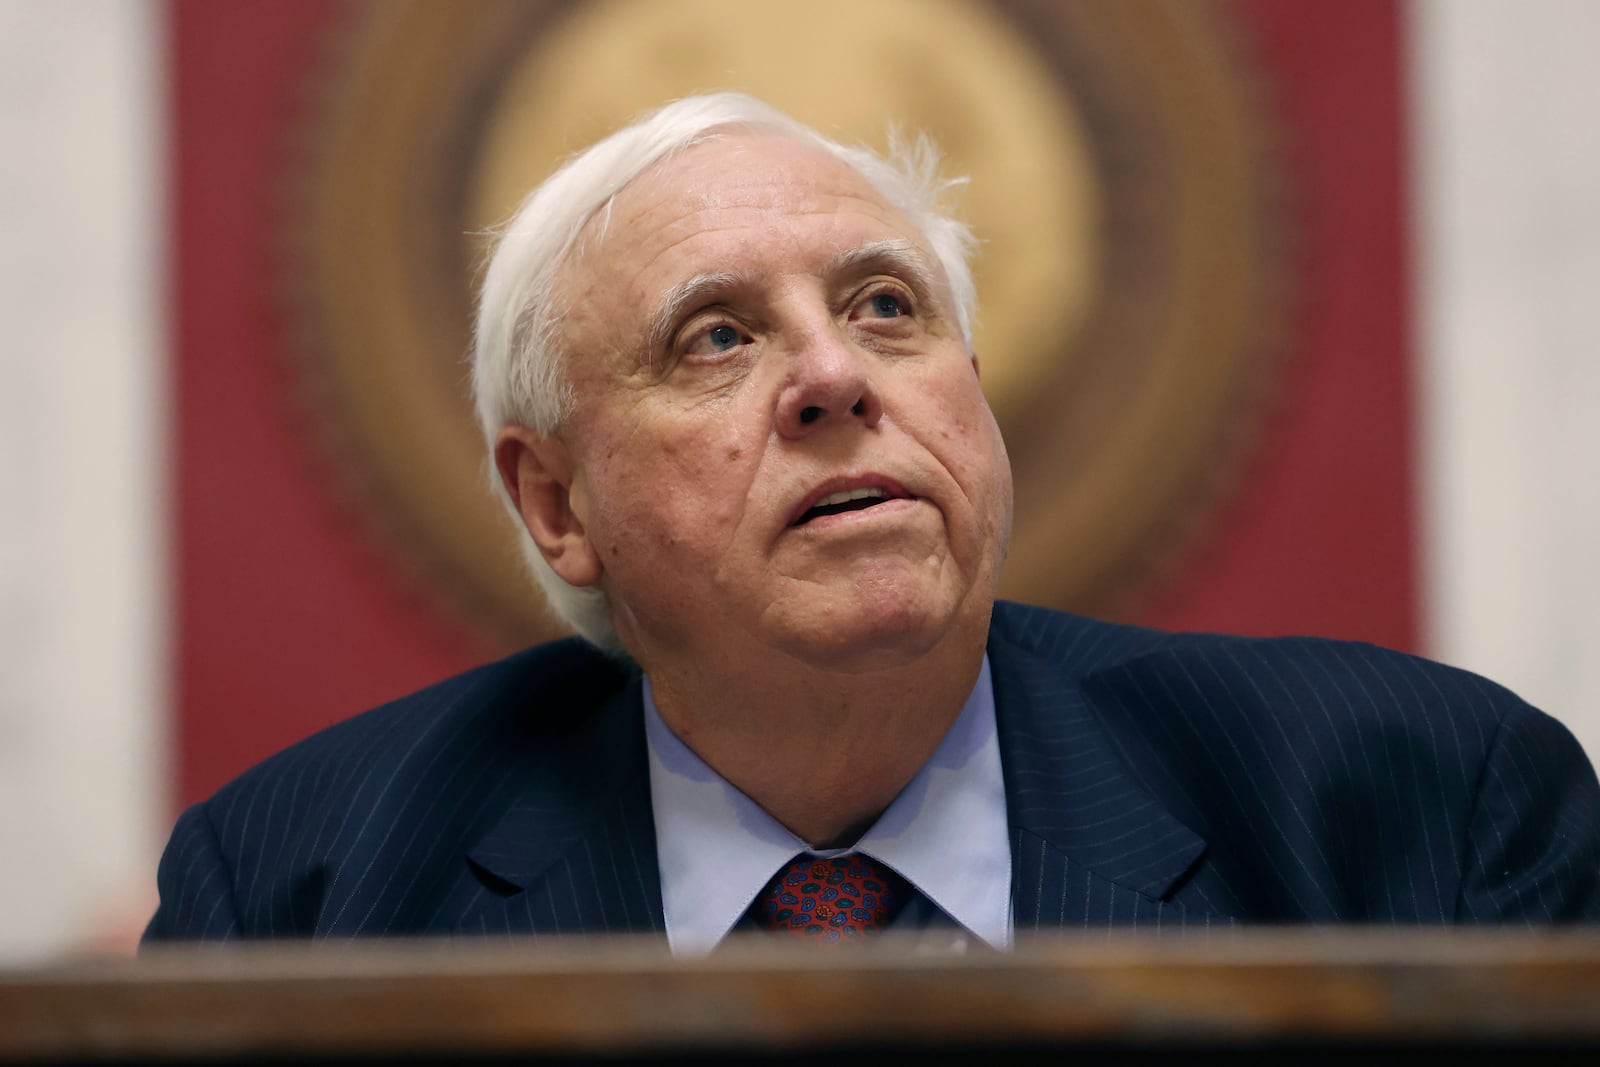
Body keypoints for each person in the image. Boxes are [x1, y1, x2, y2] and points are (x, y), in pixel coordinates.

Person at [145, 93, 1599, 950]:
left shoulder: (1418, 815)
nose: (835, 376)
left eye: (885, 308)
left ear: (971, 394)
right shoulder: (301, 892)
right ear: (555, 503)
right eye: (716, 337)